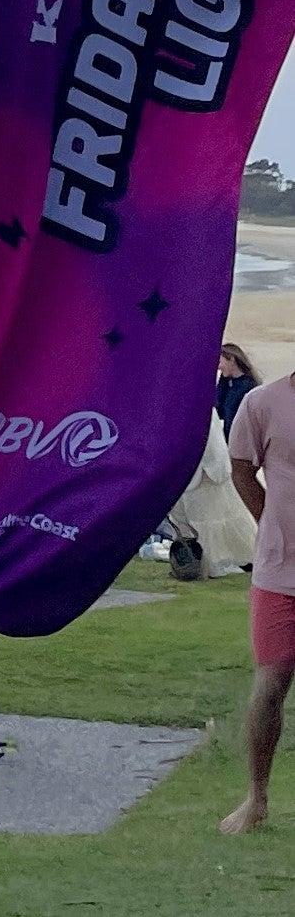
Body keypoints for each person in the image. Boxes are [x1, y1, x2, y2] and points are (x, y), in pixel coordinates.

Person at [224, 363, 295, 834]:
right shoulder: (262, 403)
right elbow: (241, 470)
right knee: (270, 686)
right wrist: (270, 522)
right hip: (279, 573)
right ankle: (256, 799)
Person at [173, 413, 259, 579]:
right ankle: (198, 562)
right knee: (195, 517)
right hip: (186, 468)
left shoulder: (201, 405)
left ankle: (227, 560)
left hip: (209, 466)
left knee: (221, 514)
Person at [220, 344, 261, 434]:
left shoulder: (249, 385)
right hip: (228, 436)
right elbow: (218, 409)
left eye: (220, 362)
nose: (219, 367)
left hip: (242, 436)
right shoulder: (225, 382)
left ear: (231, 359)